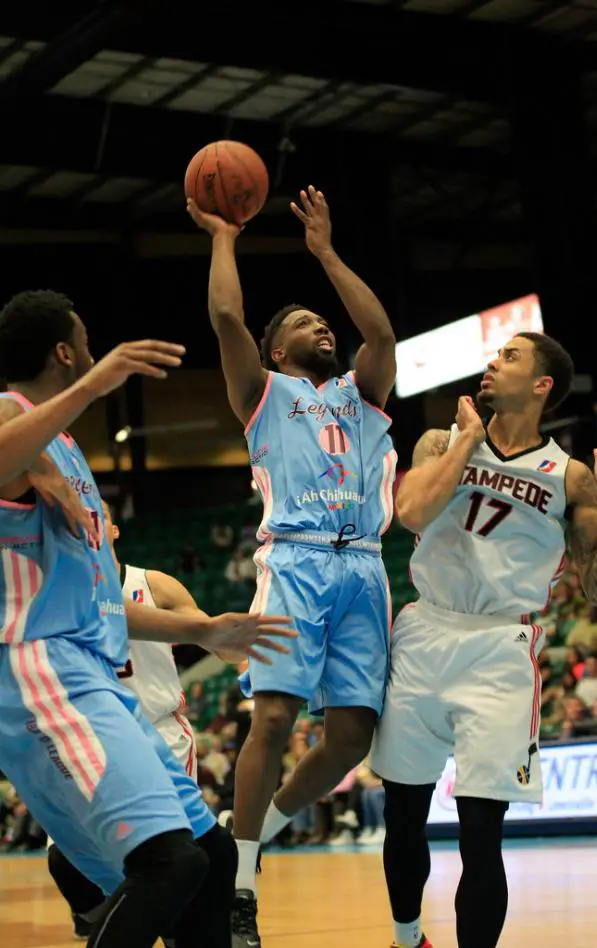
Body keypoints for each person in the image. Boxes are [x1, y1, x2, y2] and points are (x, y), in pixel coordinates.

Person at [0, 290, 296, 948]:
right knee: (169, 864)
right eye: (85, 341)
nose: (93, 352)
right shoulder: (15, 416)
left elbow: (112, 603)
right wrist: (98, 383)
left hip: (89, 667)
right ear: (64, 351)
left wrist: (203, 629)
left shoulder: (63, 451)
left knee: (210, 859)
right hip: (37, 666)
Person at [370, 332, 597, 948]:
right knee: (403, 815)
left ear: (542, 385)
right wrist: (466, 440)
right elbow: (409, 511)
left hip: (500, 650)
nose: (492, 362)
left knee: (481, 832)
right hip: (425, 629)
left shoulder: (569, 477)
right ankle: (407, 940)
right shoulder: (443, 440)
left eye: (509, 357)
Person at [188, 184, 397, 947]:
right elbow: (223, 318)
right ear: (279, 350)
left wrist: (325, 253)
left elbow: (380, 332)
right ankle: (239, 889)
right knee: (273, 717)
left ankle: (253, 836)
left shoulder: (362, 393)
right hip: (298, 561)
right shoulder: (263, 391)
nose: (325, 327)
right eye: (307, 322)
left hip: (366, 568)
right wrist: (222, 235)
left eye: (323, 321)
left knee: (350, 739)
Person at [47, 499, 211, 939]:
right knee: (66, 859)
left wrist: (242, 651)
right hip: (96, 736)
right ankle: (106, 917)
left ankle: (180, 926)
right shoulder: (55, 591)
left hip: (160, 730)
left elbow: (216, 639)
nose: (90, 522)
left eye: (99, 514)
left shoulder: (154, 585)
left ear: (114, 530)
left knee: (176, 854)